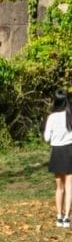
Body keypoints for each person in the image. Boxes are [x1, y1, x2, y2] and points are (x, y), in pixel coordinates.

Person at [48, 91, 72, 228]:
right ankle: (67, 218)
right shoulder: (70, 116)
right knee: (69, 186)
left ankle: (58, 217)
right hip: (70, 150)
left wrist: (55, 139)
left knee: (59, 187)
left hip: (57, 151)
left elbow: (47, 137)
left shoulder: (51, 117)